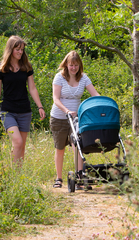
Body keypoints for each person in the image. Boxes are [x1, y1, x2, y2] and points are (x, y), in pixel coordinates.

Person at [50, 51, 100, 188]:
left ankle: (79, 177)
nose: (73, 68)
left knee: (78, 146)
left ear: (80, 66)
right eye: (71, 65)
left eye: (76, 65)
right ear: (66, 64)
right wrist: (66, 111)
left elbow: (95, 94)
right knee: (60, 148)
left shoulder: (84, 78)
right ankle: (58, 179)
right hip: (59, 117)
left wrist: (101, 104)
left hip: (76, 118)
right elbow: (55, 98)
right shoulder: (59, 77)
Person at [0, 35, 46, 163]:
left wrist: (40, 106)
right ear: (10, 49)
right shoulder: (1, 68)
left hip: (24, 111)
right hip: (7, 111)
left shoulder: (26, 67)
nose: (20, 52)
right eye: (18, 49)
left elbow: (32, 88)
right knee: (17, 142)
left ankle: (17, 175)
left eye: (22, 49)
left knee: (21, 147)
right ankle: (14, 176)